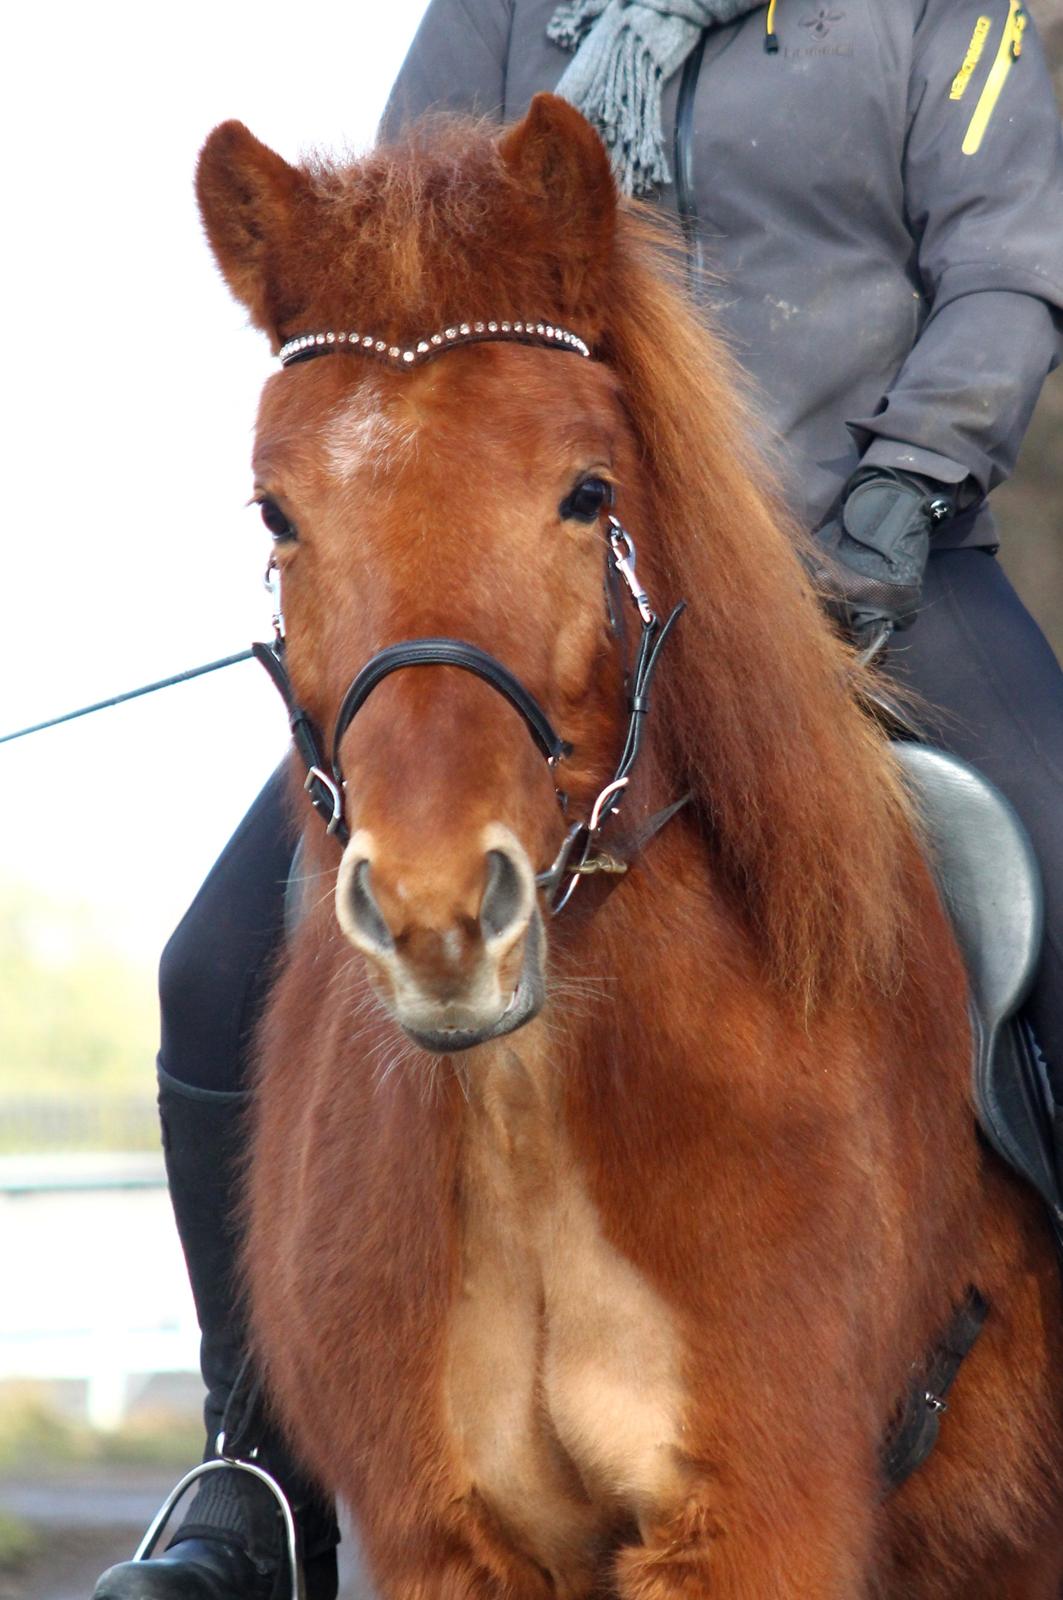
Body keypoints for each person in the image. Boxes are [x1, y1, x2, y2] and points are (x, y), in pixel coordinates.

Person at [94, 4, 1063, 1597]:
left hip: (870, 559)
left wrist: (906, 485)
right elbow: (394, 268)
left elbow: (1009, 266)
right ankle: (245, 1476)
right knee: (211, 974)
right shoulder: (496, 12)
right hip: (543, 590)